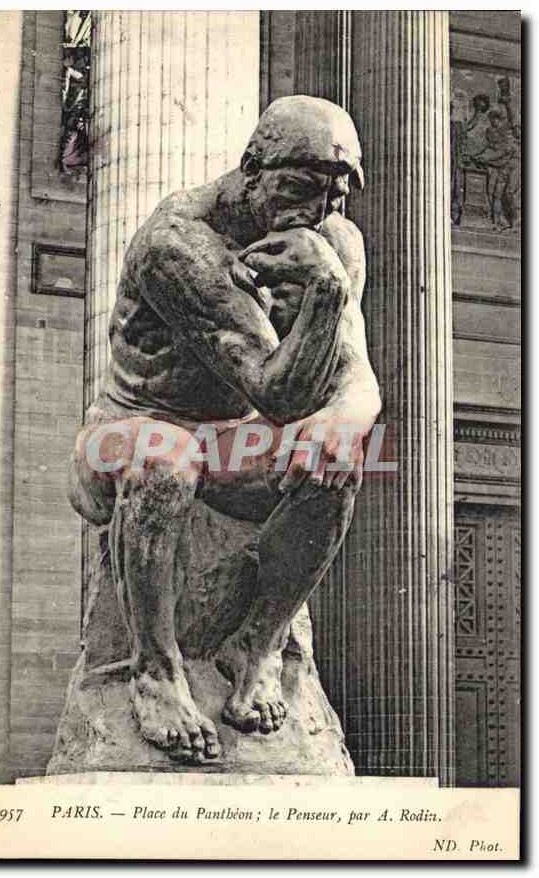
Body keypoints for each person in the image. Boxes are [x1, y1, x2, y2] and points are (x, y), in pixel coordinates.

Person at [68, 95, 381, 763]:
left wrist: (341, 422)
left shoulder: (334, 240)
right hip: (128, 427)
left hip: (231, 443)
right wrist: (324, 295)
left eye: (331, 198)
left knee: (343, 460)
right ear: (250, 168)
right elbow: (275, 389)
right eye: (298, 189)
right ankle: (155, 672)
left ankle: (259, 648)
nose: (314, 213)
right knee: (164, 459)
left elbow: (355, 381)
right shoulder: (176, 244)